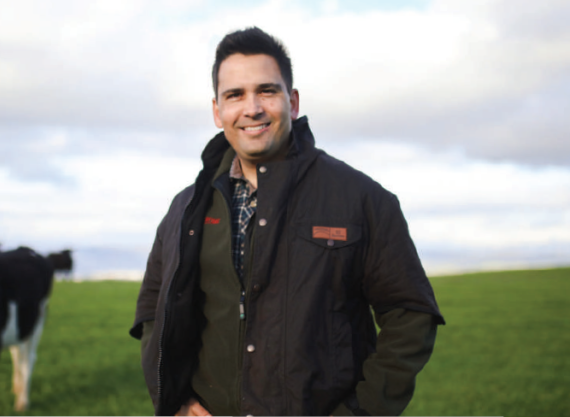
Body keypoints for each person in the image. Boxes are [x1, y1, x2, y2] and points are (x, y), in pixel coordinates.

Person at [130, 27, 445, 416]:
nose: (252, 108)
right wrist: (176, 402)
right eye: (235, 95)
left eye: (266, 91)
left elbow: (411, 315)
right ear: (217, 111)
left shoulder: (362, 199)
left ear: (292, 102)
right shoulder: (186, 208)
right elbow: (152, 309)